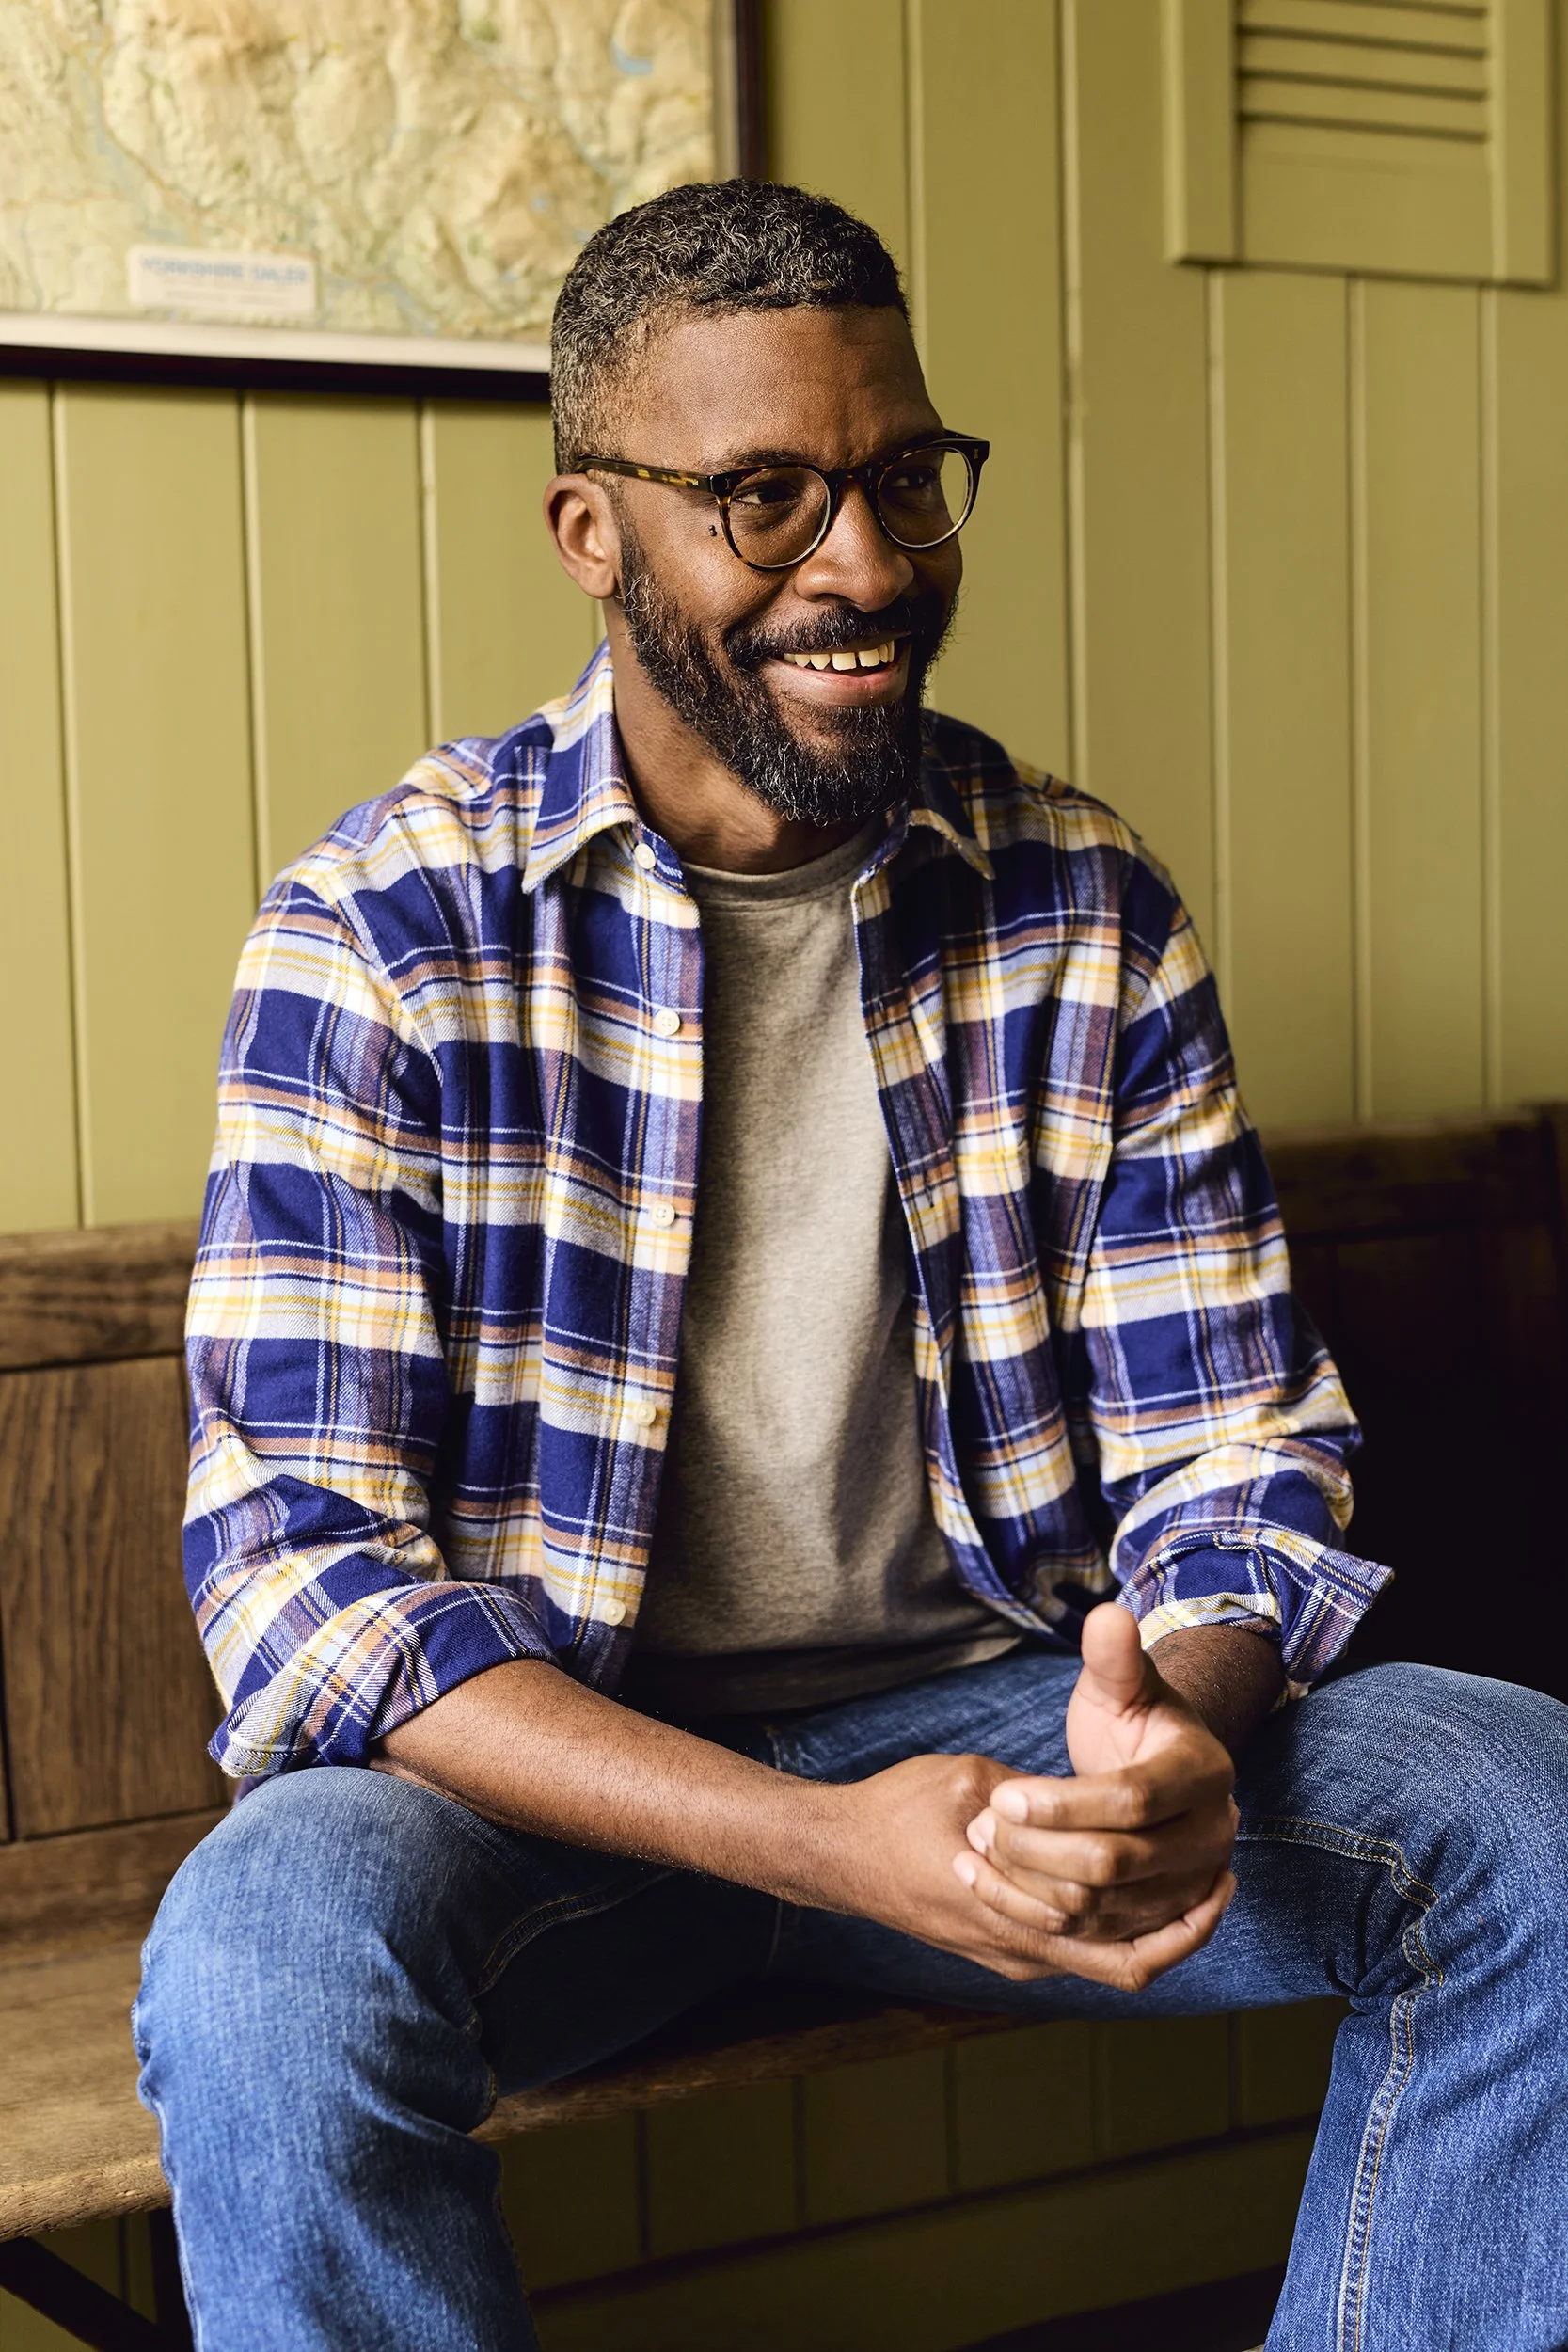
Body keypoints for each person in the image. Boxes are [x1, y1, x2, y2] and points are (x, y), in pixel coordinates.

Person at [135, 182, 1568, 2351]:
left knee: (1532, 1820)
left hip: (1003, 1731)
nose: (868, 566)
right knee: (261, 1960)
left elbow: (1236, 1453)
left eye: (903, 479)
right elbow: (310, 1582)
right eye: (764, 495)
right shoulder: (385, 929)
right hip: (568, 1788)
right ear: (591, 532)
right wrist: (823, 1845)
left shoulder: (1075, 898)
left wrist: (1168, 1729)